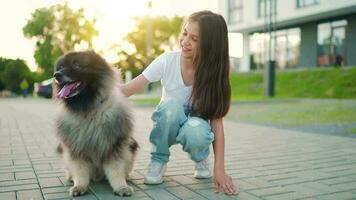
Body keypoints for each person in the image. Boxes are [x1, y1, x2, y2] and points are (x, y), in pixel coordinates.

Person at [121, 10, 238, 196]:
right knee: (170, 107)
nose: (185, 41)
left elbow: (216, 123)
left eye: (194, 39)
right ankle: (158, 159)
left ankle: (201, 157)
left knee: (196, 129)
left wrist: (219, 169)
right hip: (168, 122)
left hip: (195, 126)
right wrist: (89, 87)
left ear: (210, 45)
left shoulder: (216, 72)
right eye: (184, 33)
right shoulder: (167, 61)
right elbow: (127, 89)